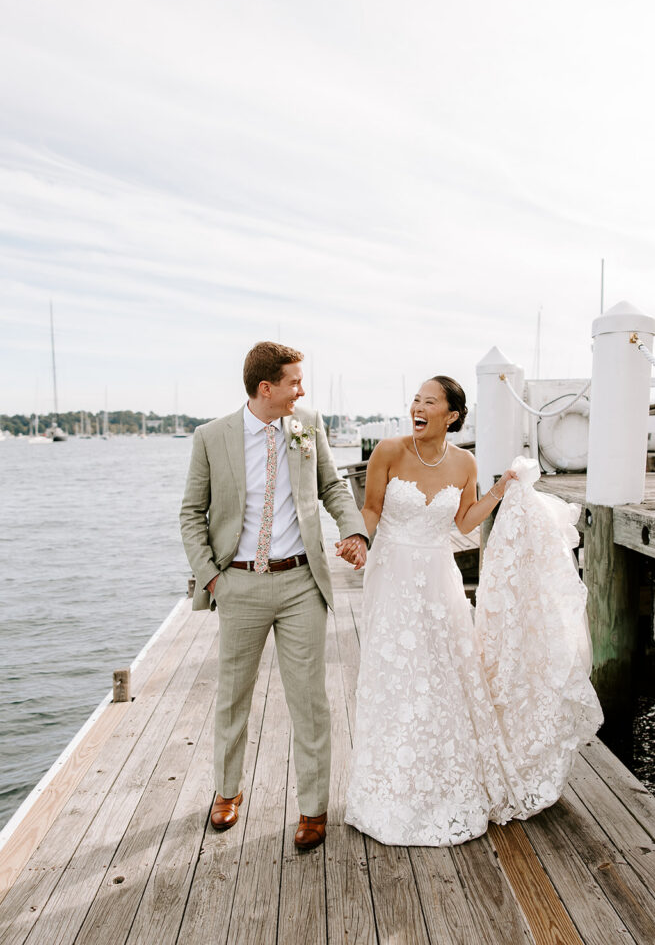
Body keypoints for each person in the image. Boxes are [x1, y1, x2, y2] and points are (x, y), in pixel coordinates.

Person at [345, 375, 603, 846]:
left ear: (452, 415)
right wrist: (358, 540)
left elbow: (463, 521)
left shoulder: (465, 461)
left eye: (429, 402)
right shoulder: (388, 450)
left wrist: (502, 489)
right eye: (415, 400)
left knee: (443, 674)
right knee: (396, 674)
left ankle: (446, 780)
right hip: (392, 574)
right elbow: (373, 509)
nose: (417, 408)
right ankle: (389, 787)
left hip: (439, 576)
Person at [180, 341, 367, 851]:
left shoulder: (307, 424)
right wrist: (214, 578)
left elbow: (333, 487)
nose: (301, 391)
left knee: (310, 701)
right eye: (294, 382)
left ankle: (313, 807)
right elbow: (191, 513)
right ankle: (226, 791)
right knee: (233, 697)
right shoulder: (210, 437)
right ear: (267, 388)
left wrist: (355, 532)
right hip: (238, 585)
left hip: (301, 584)